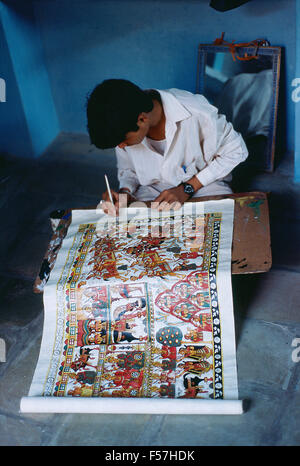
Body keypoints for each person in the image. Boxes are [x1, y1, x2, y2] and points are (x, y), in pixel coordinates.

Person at [86, 79, 248, 214]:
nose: (121, 147)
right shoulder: (122, 124)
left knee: (221, 220)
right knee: (132, 230)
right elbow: (129, 171)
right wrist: (125, 192)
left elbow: (236, 150)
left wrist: (187, 189)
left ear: (142, 119)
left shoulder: (195, 112)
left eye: (123, 141)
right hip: (152, 191)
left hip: (204, 185)